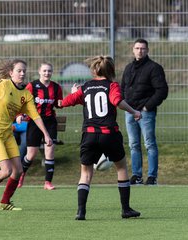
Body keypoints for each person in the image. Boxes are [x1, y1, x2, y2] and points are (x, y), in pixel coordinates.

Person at [58, 55, 142, 220]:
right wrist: (134, 112)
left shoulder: (86, 87)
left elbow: (64, 103)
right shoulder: (111, 86)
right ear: (110, 71)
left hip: (88, 134)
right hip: (109, 134)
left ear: (94, 70)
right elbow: (116, 100)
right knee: (122, 168)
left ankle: (81, 211)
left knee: (85, 173)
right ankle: (126, 209)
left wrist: (75, 93)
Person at [0, 59, 53, 211]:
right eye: (19, 71)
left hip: (7, 133)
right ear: (10, 73)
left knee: (18, 170)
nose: (22, 74)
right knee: (6, 171)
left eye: (24, 71)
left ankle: (5, 202)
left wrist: (46, 135)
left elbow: (35, 116)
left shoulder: (26, 94)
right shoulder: (2, 84)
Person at [121, 38, 168, 185]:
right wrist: (126, 105)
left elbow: (162, 91)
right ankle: (137, 175)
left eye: (142, 48)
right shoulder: (128, 68)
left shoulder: (154, 68)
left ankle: (152, 177)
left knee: (149, 144)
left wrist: (147, 107)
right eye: (137, 48)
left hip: (145, 113)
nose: (139, 51)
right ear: (133, 50)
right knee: (133, 144)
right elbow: (123, 88)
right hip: (130, 111)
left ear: (147, 50)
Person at [18, 62, 63, 190]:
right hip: (35, 122)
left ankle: (47, 182)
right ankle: (21, 175)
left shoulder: (56, 87)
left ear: (52, 72)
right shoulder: (32, 86)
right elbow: (23, 102)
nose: (47, 73)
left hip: (50, 122)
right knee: (31, 154)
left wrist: (63, 102)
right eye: (44, 71)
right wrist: (21, 114)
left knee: (50, 150)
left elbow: (59, 104)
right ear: (39, 71)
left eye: (49, 71)